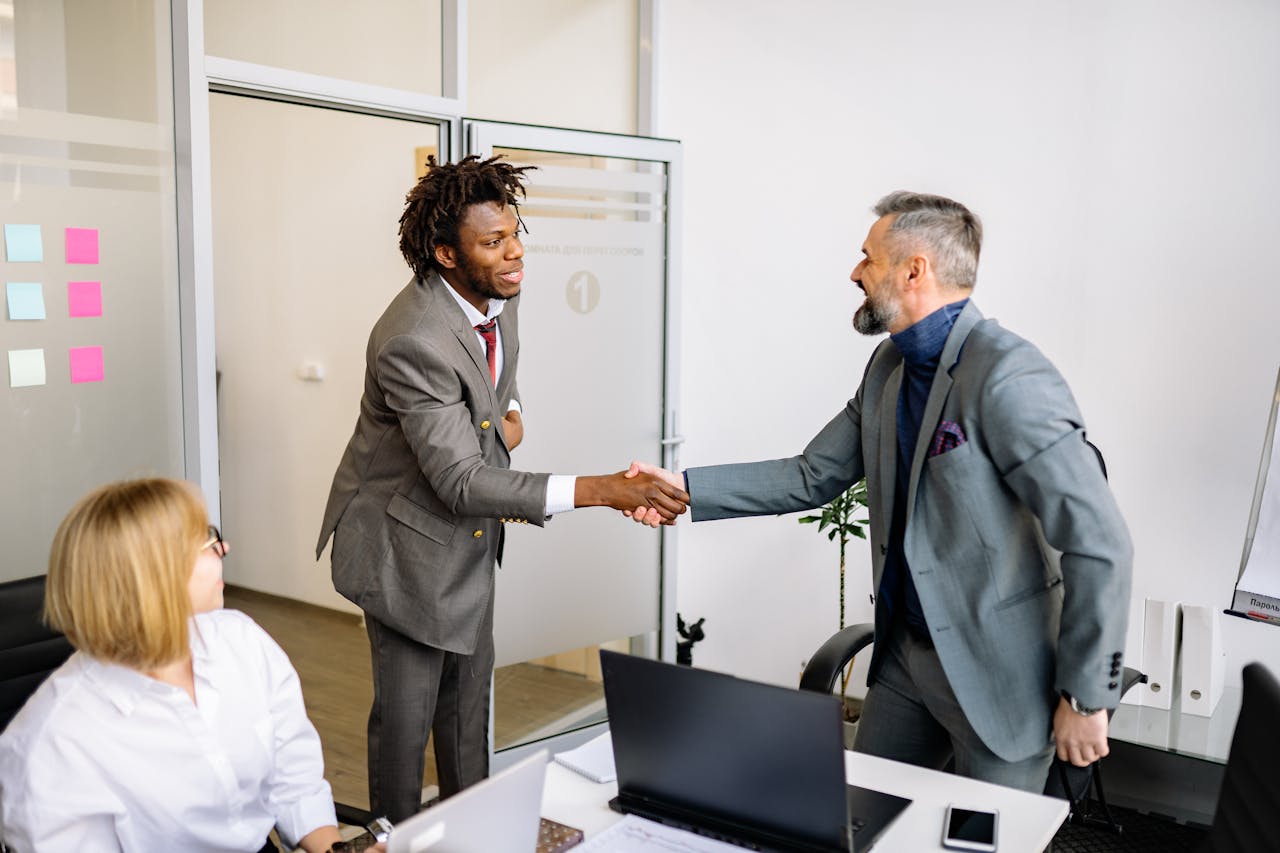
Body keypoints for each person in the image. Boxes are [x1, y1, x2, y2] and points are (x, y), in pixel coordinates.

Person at [626, 191, 1132, 792]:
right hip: (904, 665)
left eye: (867, 258)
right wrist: (681, 490)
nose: (855, 272)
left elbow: (1100, 542)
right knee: (859, 822)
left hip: (1001, 676)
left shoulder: (1009, 375)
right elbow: (812, 474)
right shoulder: (889, 365)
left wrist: (1086, 694)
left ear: (914, 269)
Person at [315, 154, 688, 822]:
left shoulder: (497, 297)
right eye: (493, 242)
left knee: (467, 712)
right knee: (406, 726)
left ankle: (475, 831)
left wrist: (502, 431)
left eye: (515, 233)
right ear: (445, 255)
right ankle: (391, 837)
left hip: (467, 536)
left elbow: (491, 404)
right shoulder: (412, 339)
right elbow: (460, 477)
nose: (515, 252)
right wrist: (601, 489)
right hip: (400, 550)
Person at [0, 478, 353, 853]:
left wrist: (336, 849)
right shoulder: (52, 745)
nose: (225, 548)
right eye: (207, 542)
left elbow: (294, 779)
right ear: (154, 578)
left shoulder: (242, 642)